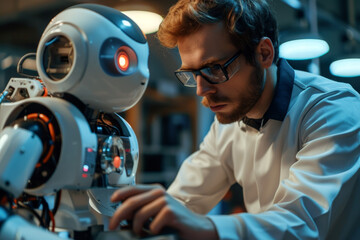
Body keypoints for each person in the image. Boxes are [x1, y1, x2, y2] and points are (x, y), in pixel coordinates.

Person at [109, 0, 360, 239]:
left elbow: (301, 225)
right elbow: (184, 200)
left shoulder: (333, 110)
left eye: (214, 69)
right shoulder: (228, 122)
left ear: (263, 53)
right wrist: (148, 214)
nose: (201, 90)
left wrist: (205, 226)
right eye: (192, 74)